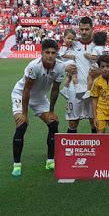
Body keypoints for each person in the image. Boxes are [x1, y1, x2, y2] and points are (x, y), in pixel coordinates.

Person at [11, 39, 64, 176]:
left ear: (56, 53)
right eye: (47, 52)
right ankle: (17, 164)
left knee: (53, 124)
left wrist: (51, 111)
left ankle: (50, 161)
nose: (50, 55)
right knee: (22, 125)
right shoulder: (34, 66)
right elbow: (26, 90)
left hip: (40, 98)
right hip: (21, 94)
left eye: (53, 52)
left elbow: (55, 90)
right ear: (42, 53)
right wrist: (24, 113)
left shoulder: (59, 66)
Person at [64, 17, 97, 134]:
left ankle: (96, 151)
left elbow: (107, 65)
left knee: (95, 122)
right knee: (73, 122)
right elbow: (60, 58)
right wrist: (65, 67)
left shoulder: (98, 44)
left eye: (87, 29)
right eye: (81, 29)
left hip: (93, 89)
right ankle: (71, 151)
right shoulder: (72, 43)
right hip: (75, 88)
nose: (84, 32)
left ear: (92, 29)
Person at [90, 55, 109, 133]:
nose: (105, 69)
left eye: (107, 66)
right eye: (102, 66)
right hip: (101, 111)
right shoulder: (97, 81)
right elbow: (94, 99)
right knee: (100, 134)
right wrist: (95, 117)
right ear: (99, 68)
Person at [83, 31, 109, 98]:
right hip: (106, 66)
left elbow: (94, 57)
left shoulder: (96, 48)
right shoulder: (107, 48)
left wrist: (88, 55)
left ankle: (88, 91)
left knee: (90, 76)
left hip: (98, 65)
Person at [58, 29, 78, 96]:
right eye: (68, 38)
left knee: (69, 77)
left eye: (72, 39)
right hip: (68, 63)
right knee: (74, 75)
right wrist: (72, 56)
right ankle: (77, 89)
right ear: (64, 38)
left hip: (68, 63)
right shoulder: (64, 46)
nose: (70, 40)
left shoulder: (71, 45)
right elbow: (62, 55)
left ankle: (65, 89)